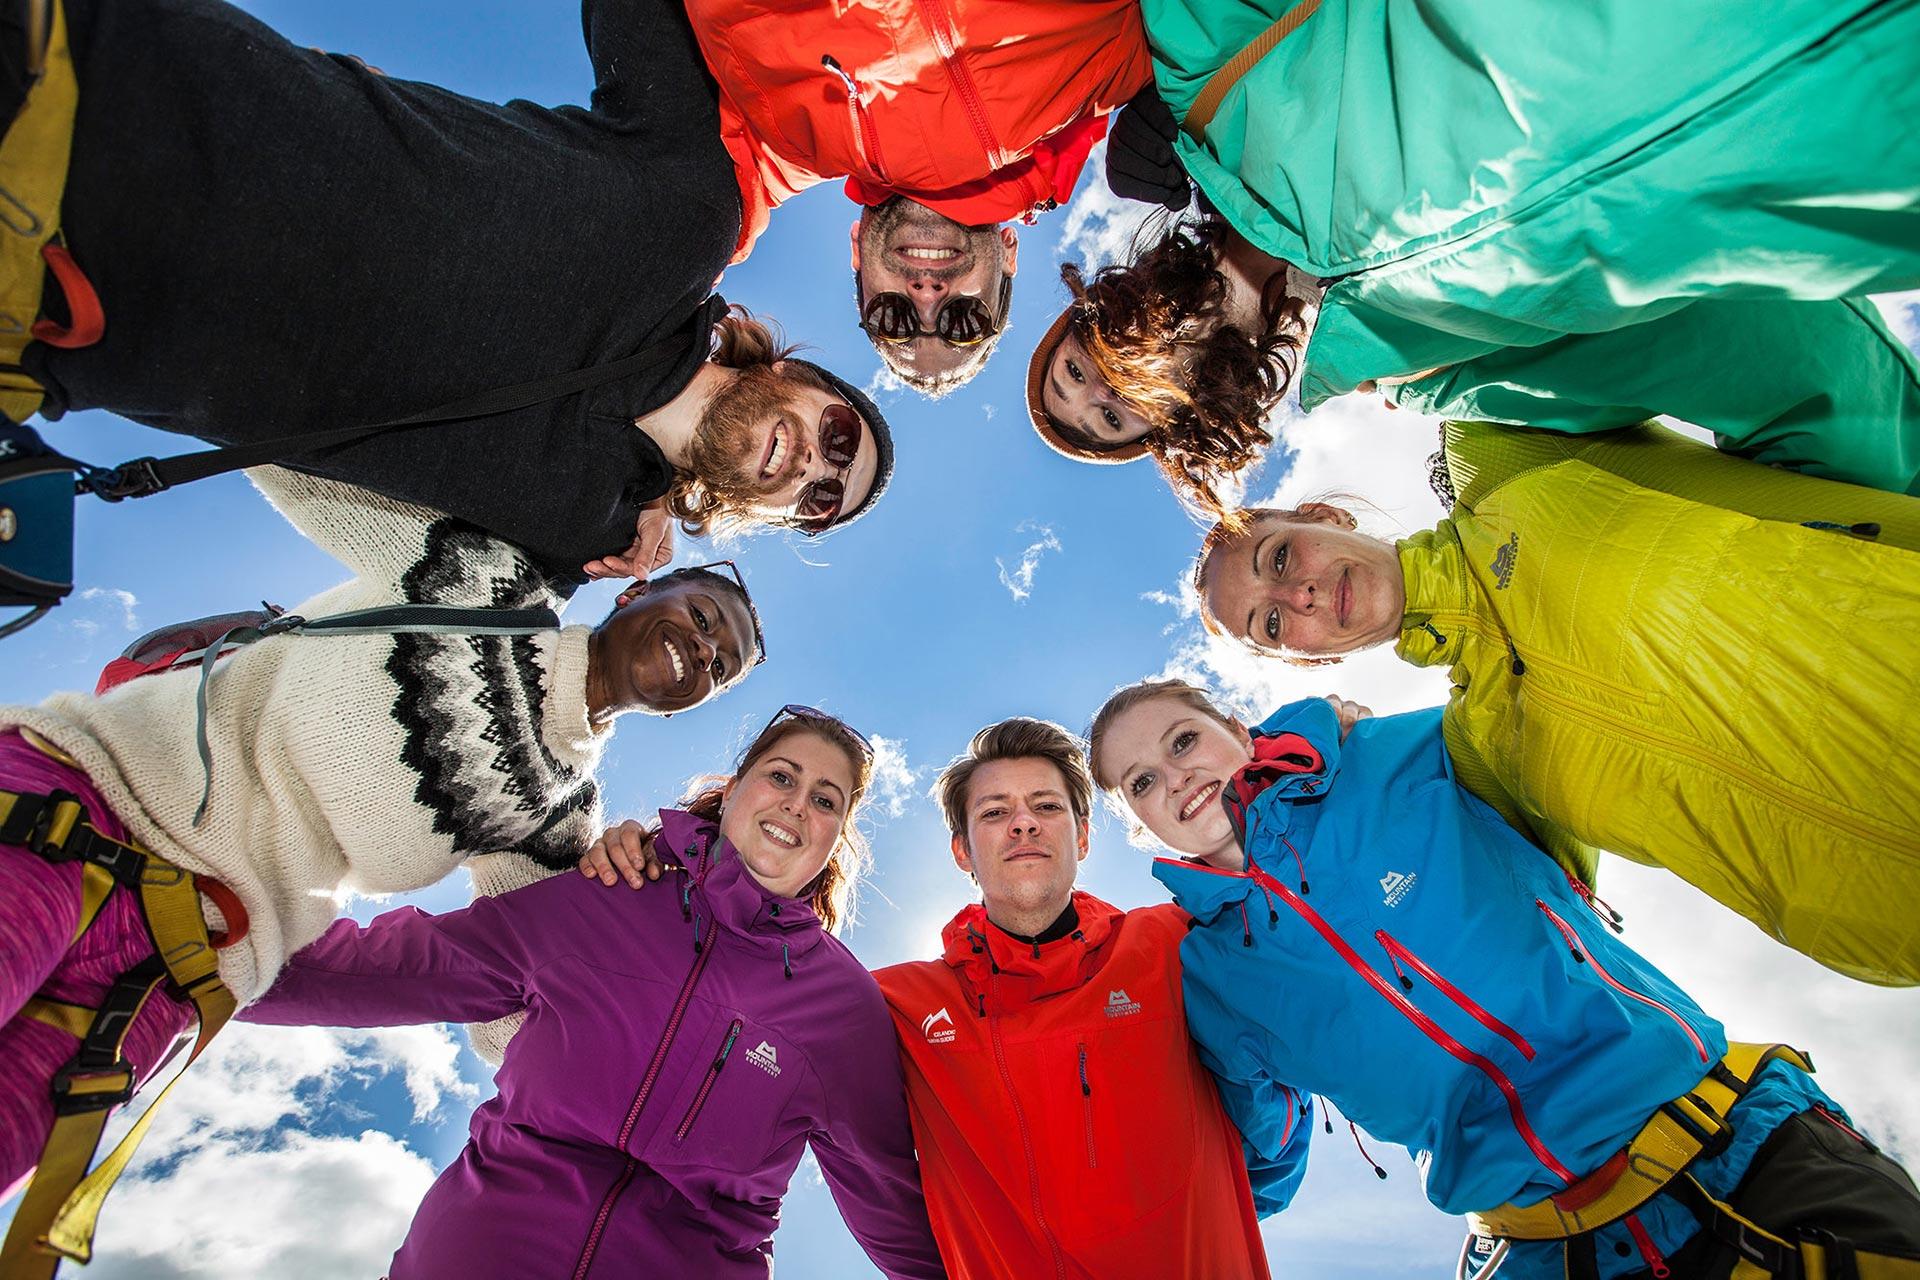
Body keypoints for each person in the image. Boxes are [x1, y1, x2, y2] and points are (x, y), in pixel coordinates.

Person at [0, 466, 767, 1201]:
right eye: (702, 618)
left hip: (167, 979)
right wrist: (632, 478)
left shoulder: (556, 815)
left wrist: (644, 921)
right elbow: (298, 445)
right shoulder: (483, 576)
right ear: (635, 590)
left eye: (721, 667)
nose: (704, 652)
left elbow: (523, 1005)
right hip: (76, 814)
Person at [2, 0, 892, 586]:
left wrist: (636, 517)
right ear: (799, 377)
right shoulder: (691, 214)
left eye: (820, 501)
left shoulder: (580, 528)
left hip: (40, 332)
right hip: (83, 85)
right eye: (840, 439)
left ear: (773, 518)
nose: (814, 467)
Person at [1088, 678, 1920, 1280]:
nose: (1175, 776)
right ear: (1139, 827)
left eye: (1183, 740)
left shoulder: (1400, 755)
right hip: (1544, 1245)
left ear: (1237, 726)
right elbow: (1246, 1157)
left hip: (1734, 1146)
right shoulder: (1210, 977)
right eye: (1142, 783)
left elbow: (1555, 724)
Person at [1192, 418, 1920, 985]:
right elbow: (1509, 936)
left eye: (1280, 557)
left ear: (1324, 516)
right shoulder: (1483, 758)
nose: (1299, 595)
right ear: (1316, 659)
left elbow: (1759, 350)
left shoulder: (1502, 455)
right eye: (1273, 624)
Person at [239, 706, 945, 1279]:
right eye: (781, 776)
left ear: (835, 839)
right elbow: (400, 966)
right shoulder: (603, 894)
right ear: (733, 790)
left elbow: (897, 1211)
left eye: (825, 800)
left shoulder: (842, 1008)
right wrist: (210, 963)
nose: (796, 804)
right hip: (476, 1253)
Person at [1025, 211, 1920, 511]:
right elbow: (1735, 363)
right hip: (1803, 279)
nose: (1101, 388)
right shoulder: (1399, 377)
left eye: (1073, 373)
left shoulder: (1228, 155)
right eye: (1110, 417)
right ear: (1167, 425)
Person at [872, 717, 1280, 1278]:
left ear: (1083, 836)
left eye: (1046, 806)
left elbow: (1297, 926)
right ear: (962, 851)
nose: (1023, 823)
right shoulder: (899, 1005)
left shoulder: (1176, 940)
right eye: (994, 812)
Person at [673, 0, 1150, 392]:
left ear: (857, 250)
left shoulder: (781, 136)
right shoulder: (1108, 61)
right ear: (1009, 255)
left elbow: (678, 220)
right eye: (963, 322)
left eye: (892, 318)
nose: (926, 297)